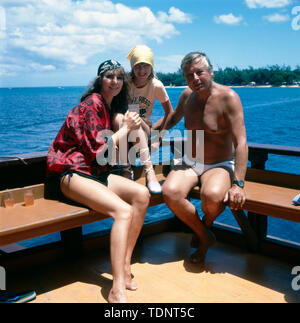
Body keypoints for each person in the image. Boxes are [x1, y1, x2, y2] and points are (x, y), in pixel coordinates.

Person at [46, 59, 150, 303]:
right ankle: (116, 288)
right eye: (109, 76)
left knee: (142, 195)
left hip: (93, 173)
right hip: (71, 173)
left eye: (118, 77)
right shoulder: (92, 103)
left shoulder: (109, 107)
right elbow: (98, 151)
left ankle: (124, 268)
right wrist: (125, 130)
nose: (114, 81)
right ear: (99, 80)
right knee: (123, 212)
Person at [162, 52, 248, 263]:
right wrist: (153, 132)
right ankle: (204, 236)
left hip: (219, 164)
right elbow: (173, 118)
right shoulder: (186, 96)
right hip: (191, 161)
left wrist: (238, 184)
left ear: (211, 72)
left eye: (200, 72)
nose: (195, 79)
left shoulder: (229, 98)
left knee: (212, 197)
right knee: (170, 192)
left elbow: (241, 142)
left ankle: (205, 225)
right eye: (189, 75)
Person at [112, 45, 173, 194]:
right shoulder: (126, 83)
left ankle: (148, 172)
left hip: (143, 131)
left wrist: (159, 136)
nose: (142, 71)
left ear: (152, 66)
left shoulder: (156, 85)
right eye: (137, 66)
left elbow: (170, 113)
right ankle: (127, 170)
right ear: (132, 67)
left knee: (135, 121)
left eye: (146, 66)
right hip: (125, 129)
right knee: (123, 118)